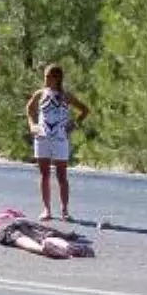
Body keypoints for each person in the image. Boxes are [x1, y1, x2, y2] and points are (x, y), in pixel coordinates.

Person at [26, 64, 90, 222]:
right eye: (45, 76)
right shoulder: (40, 94)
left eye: (49, 76)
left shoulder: (66, 96)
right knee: (44, 174)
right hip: (42, 137)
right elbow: (29, 109)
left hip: (60, 138)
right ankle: (46, 209)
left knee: (62, 175)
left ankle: (65, 210)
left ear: (57, 78)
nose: (46, 79)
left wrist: (73, 125)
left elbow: (84, 110)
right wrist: (32, 125)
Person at [0, 208, 94, 259]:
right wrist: (65, 235)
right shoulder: (16, 217)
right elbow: (42, 227)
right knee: (43, 236)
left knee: (17, 238)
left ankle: (43, 250)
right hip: (17, 224)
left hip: (2, 229)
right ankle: (68, 246)